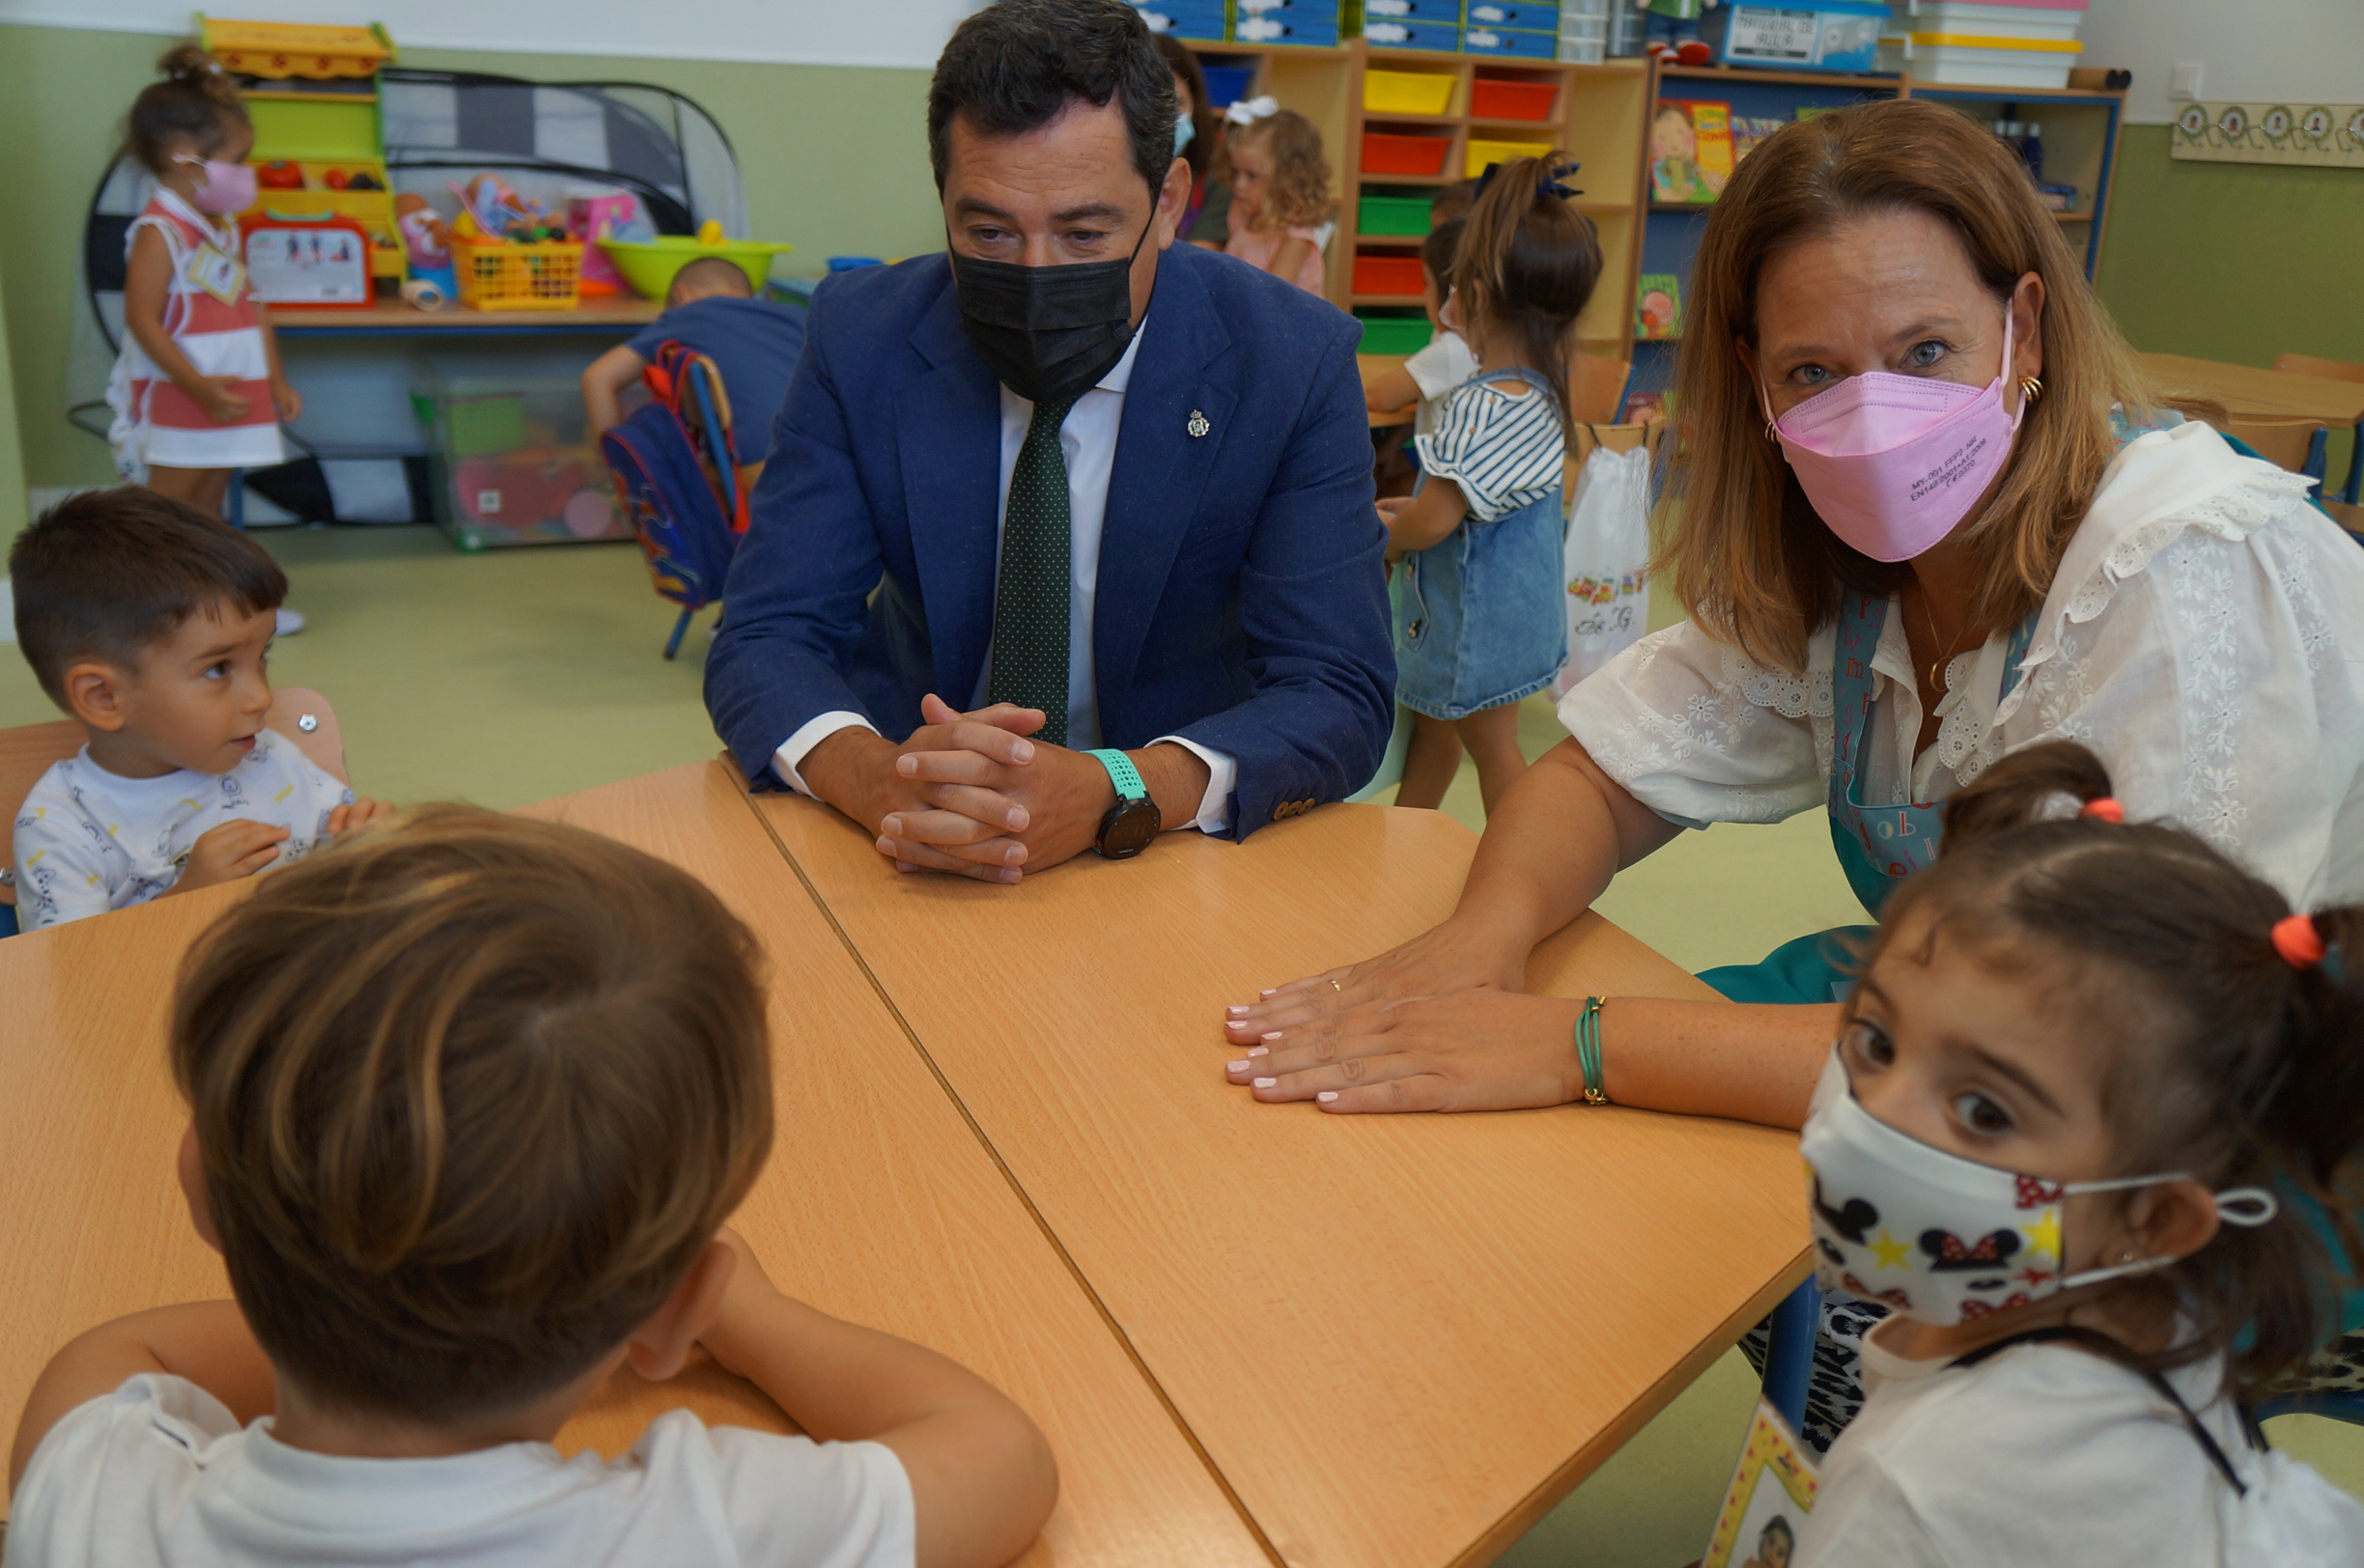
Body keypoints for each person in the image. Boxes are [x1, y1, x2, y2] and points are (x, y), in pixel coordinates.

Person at [1223, 97, 2364, 1116]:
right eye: (1814, 373)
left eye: (1925, 350)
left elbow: (2104, 1045)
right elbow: (1597, 780)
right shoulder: (1838, 572)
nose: (1875, 417)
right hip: (1971, 1010)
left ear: (2027, 328)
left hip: (2243, 1109)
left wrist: (1576, 1042)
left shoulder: (2178, 568)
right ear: (1753, 378)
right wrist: (1481, 940)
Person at [4, 807, 1060, 1567]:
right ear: (674, 1309)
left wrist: (393, 1299)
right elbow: (1000, 1459)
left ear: (198, 1185)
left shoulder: (90, 1500)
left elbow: (108, 1355)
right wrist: (736, 1312)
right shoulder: (700, 1535)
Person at [705, 0, 1393, 884]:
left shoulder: (1290, 360)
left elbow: (1338, 688)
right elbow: (768, 633)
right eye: (987, 231)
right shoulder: (861, 336)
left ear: (1172, 202)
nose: (1034, 276)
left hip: (1172, 850)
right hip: (914, 841)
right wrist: (876, 775)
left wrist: (1119, 786)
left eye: (1084, 233)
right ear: (943, 201)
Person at [1791, 741, 2364, 1565]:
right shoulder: (2160, 1313)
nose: (1876, 1110)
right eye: (1877, 1041)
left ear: (2156, 1217)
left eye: (1984, 1110)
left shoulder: (1918, 1491)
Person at [8, 490, 394, 931]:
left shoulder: (267, 755)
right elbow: (73, 979)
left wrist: (364, 844)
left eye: (262, 654)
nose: (262, 698)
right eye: (218, 669)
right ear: (102, 697)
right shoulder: (60, 829)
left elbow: (335, 866)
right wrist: (187, 897)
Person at [1381, 158, 1601, 817]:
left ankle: (1522, 860)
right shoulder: (1538, 391)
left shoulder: (1482, 405)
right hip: (1516, 617)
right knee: (1442, 732)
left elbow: (1434, 524)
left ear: (1474, 294)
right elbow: (1467, 505)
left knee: (1492, 746)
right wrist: (1416, 512)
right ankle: (1408, 832)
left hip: (1473, 625)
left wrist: (1389, 530)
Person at [106, 44, 306, 635]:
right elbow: (143, 321)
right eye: (238, 160)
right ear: (186, 158)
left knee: (209, 514)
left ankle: (214, 616)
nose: (247, 174)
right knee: (165, 516)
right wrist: (198, 387)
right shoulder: (158, 232)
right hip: (182, 399)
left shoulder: (221, 228)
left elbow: (251, 306)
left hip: (230, 395)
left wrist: (275, 379)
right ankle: (150, 622)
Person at [582, 257, 807, 477]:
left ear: (680, 295)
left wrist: (616, 466)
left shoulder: (684, 316)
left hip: (764, 468)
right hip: (829, 458)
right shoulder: (795, 315)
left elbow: (597, 377)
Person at [1361, 216, 1473, 435]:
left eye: (1427, 284)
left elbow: (1376, 398)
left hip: (1442, 468)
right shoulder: (1493, 347)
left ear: (1452, 294)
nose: (1424, 295)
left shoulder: (1452, 350)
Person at [1219, 101, 1333, 298]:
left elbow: (1270, 300)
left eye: (1252, 176)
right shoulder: (1243, 216)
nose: (1239, 184)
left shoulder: (1295, 240)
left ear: (1287, 181)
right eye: (1237, 172)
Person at [1150, 35, 1214, 238]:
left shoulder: (1216, 179)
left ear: (1196, 106)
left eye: (1176, 104)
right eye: (1152, 104)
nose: (1165, 118)